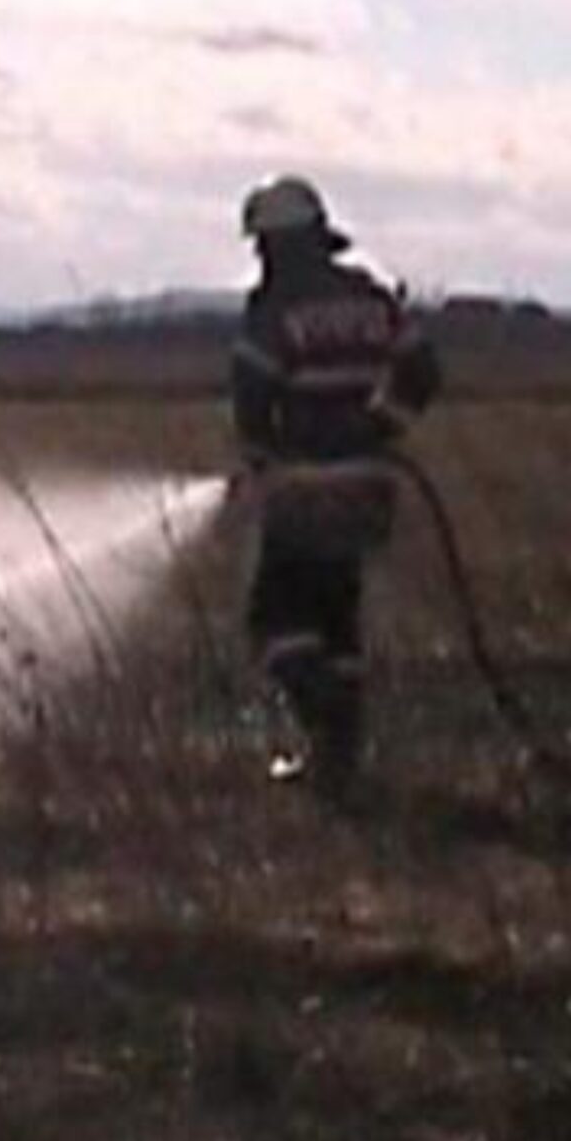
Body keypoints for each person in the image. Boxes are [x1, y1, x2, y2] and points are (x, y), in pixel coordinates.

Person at [230, 175, 441, 802]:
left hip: (303, 487)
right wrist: (379, 425)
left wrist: (261, 459)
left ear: (282, 245)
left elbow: (253, 398)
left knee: (274, 620)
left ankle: (325, 723)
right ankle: (339, 757)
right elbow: (423, 369)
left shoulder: (274, 311)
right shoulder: (370, 300)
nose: (260, 258)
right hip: (370, 485)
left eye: (264, 245)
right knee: (335, 615)